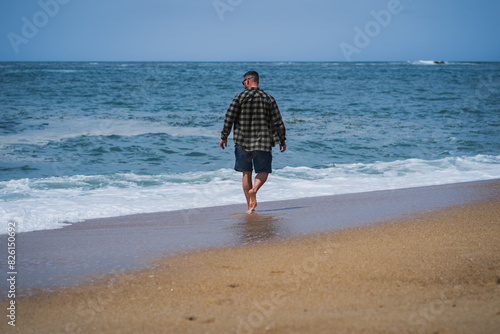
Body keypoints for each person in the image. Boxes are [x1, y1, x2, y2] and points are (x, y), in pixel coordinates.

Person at [220, 71, 287, 212]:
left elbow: (229, 117)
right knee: (264, 171)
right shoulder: (269, 98)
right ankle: (254, 190)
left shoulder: (239, 97)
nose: (243, 84)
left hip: (242, 141)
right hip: (263, 142)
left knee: (246, 173)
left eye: (243, 81)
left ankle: (249, 205)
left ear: (248, 80)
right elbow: (278, 121)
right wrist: (282, 140)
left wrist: (224, 136)